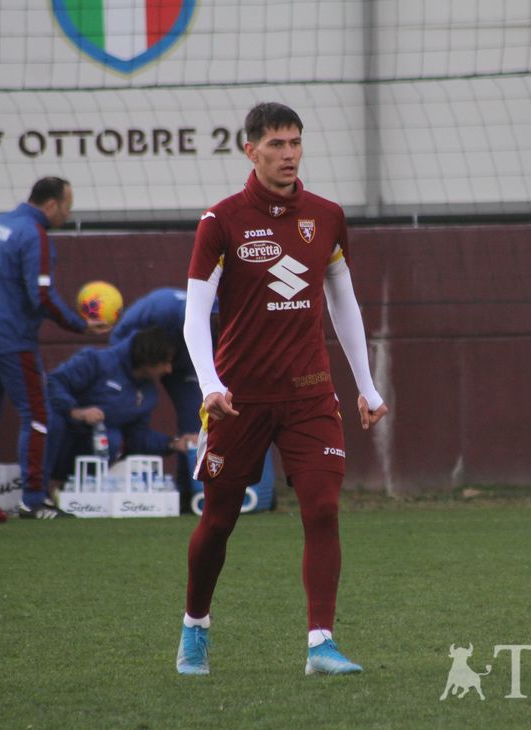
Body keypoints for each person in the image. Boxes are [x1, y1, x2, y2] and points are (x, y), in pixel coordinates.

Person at [176, 102, 389, 676]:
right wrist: (210, 385)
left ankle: (321, 644)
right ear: (250, 150)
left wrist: (366, 386)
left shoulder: (327, 216)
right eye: (276, 144)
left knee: (322, 509)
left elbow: (343, 301)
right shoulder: (220, 221)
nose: (289, 154)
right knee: (218, 521)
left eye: (295, 142)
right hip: (236, 400)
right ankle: (195, 626)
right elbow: (195, 315)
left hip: (310, 395)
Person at [0, 177, 110, 519]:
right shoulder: (34, 235)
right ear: (51, 204)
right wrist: (80, 324)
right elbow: (41, 296)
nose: (68, 215)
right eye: (67, 207)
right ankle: (34, 500)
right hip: (11, 340)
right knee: (39, 417)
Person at [110, 287, 218, 506]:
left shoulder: (220, 322)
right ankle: (120, 476)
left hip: (182, 360)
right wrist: (133, 371)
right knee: (131, 408)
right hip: (139, 357)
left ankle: (190, 492)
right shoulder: (162, 311)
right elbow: (121, 342)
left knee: (194, 421)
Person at [46, 326, 196, 482]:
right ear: (149, 359)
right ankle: (37, 488)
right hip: (62, 435)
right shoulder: (96, 361)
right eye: (165, 362)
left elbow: (137, 438)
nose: (169, 370)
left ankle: (82, 489)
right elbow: (54, 383)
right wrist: (76, 412)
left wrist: (172, 443)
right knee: (53, 420)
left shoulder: (147, 394)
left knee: (111, 439)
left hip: (94, 447)